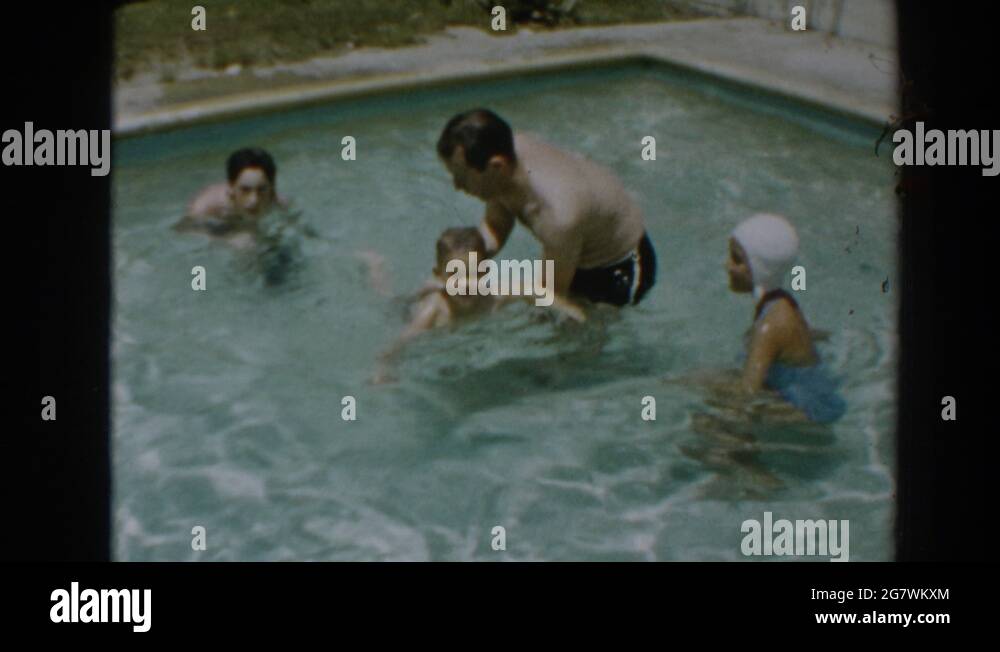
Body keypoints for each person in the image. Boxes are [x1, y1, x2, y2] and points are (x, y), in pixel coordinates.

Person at [436, 109, 657, 321]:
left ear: (496, 167)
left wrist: (499, 295)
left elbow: (550, 299)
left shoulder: (558, 215)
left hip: (620, 268)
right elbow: (496, 224)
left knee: (568, 333)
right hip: (570, 249)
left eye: (463, 177)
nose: (456, 185)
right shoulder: (503, 153)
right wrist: (456, 270)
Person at [726, 213, 846, 423]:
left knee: (707, 420)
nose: (727, 265)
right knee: (701, 381)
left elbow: (746, 396)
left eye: (736, 259)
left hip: (805, 411)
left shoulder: (770, 325)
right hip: (810, 396)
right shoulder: (782, 302)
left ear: (759, 268)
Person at [174, 147, 287, 248]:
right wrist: (228, 238)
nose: (254, 200)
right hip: (220, 227)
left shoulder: (277, 201)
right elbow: (181, 230)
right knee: (246, 242)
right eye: (245, 190)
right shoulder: (206, 206)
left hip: (245, 226)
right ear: (231, 187)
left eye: (262, 189)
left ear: (272, 188)